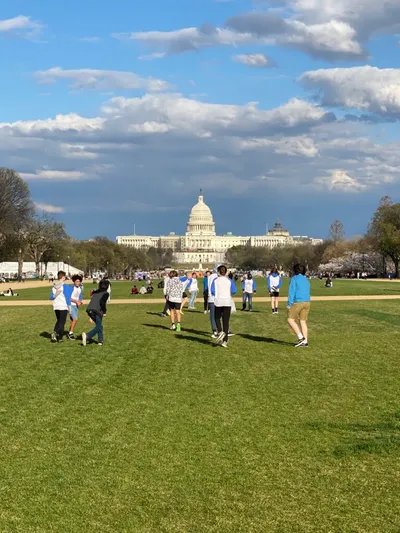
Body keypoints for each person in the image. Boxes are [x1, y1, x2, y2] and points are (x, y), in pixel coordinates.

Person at [211, 265, 237, 348]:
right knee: (226, 321)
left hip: (218, 301)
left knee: (216, 318)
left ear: (218, 272)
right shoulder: (229, 280)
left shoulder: (215, 280)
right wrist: (228, 294)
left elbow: (212, 291)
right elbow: (234, 290)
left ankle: (220, 331)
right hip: (227, 302)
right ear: (226, 272)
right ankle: (225, 341)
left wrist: (217, 294)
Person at [287, 264, 311, 348]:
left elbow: (291, 292)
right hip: (307, 302)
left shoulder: (294, 279)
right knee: (303, 321)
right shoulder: (305, 279)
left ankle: (300, 338)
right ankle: (305, 341)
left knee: (290, 319)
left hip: (298, 302)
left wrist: (289, 304)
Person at [82, 279, 110, 347]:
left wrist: (90, 317)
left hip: (89, 309)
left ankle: (100, 341)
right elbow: (102, 303)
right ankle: (87, 336)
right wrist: (104, 311)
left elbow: (93, 298)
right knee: (99, 326)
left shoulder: (96, 292)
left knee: (99, 325)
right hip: (97, 310)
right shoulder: (106, 293)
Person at [50, 270, 72, 343]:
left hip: (56, 306)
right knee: (62, 322)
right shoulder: (65, 286)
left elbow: (51, 297)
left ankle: (55, 334)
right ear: (63, 277)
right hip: (63, 306)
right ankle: (59, 337)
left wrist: (56, 294)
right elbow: (67, 297)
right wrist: (69, 306)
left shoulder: (54, 286)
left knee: (59, 321)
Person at [68, 274, 83, 340]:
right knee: (75, 319)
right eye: (76, 281)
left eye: (79, 281)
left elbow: (80, 296)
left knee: (72, 320)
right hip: (71, 305)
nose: (78, 283)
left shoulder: (80, 288)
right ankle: (70, 333)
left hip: (76, 306)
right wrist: (76, 301)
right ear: (74, 281)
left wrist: (80, 301)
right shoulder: (71, 288)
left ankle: (69, 332)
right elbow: (68, 298)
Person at [208, 267, 219, 338]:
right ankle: (222, 330)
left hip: (211, 298)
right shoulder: (217, 277)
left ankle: (214, 330)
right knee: (219, 315)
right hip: (217, 298)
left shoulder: (210, 277)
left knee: (212, 316)